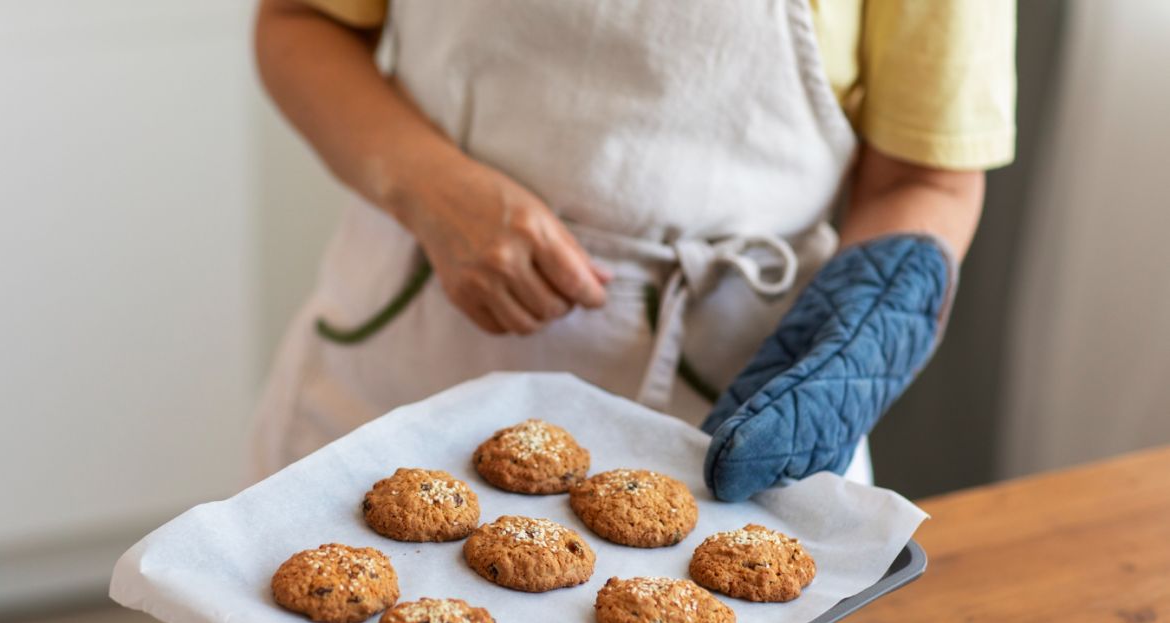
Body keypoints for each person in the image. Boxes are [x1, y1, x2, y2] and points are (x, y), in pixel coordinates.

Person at [250, 0, 1015, 498]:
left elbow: (928, 178)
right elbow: (296, 23)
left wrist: (862, 339)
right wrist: (426, 184)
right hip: (404, 366)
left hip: (730, 408)